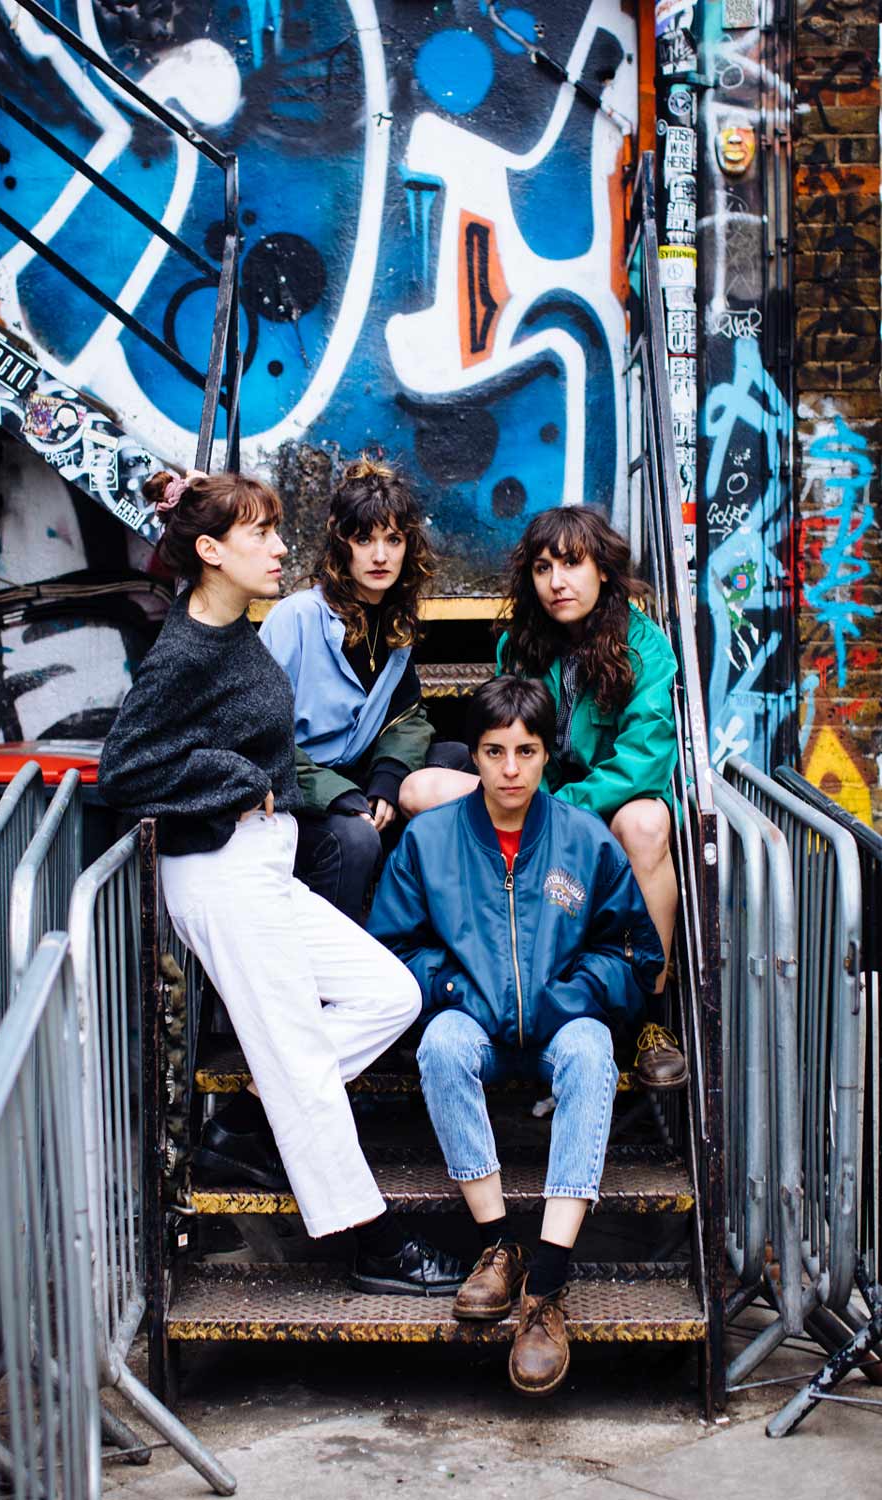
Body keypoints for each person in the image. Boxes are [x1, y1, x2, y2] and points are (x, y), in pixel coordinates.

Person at [97, 468, 464, 1296]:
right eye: (260, 532)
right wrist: (236, 777)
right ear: (210, 551)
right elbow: (122, 770)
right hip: (221, 875)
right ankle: (375, 1243)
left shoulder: (233, 630)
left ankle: (247, 1122)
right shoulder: (186, 650)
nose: (279, 546)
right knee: (300, 1060)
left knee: (389, 994)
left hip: (262, 868)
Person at [368, 676, 665, 1395]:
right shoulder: (430, 841)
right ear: (472, 755)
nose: (510, 769)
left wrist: (570, 995)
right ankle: (498, 1247)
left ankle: (547, 1286)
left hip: (561, 1024)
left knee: (593, 1049)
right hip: (474, 1022)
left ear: (545, 755)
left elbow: (633, 951)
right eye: (494, 751)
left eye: (526, 752)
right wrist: (458, 991)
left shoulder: (584, 838)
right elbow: (393, 948)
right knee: (441, 1044)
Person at [399, 506, 686, 1090]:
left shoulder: (646, 647)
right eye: (543, 567)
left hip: (603, 804)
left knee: (646, 825)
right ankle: (473, 983)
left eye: (572, 564)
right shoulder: (520, 644)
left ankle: (650, 1019)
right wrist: (531, 796)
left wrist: (560, 808)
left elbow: (643, 761)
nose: (557, 581)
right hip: (534, 795)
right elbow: (511, 743)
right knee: (422, 789)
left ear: (602, 569)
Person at [259, 456, 464, 924]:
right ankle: (335, 956)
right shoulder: (296, 618)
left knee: (455, 759)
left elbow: (407, 716)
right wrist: (338, 795)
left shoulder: (394, 620)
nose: (380, 556)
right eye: (364, 539)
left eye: (393, 540)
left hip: (355, 774)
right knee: (356, 838)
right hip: (296, 789)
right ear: (341, 544)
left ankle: (422, 927)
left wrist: (387, 781)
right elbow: (261, 738)